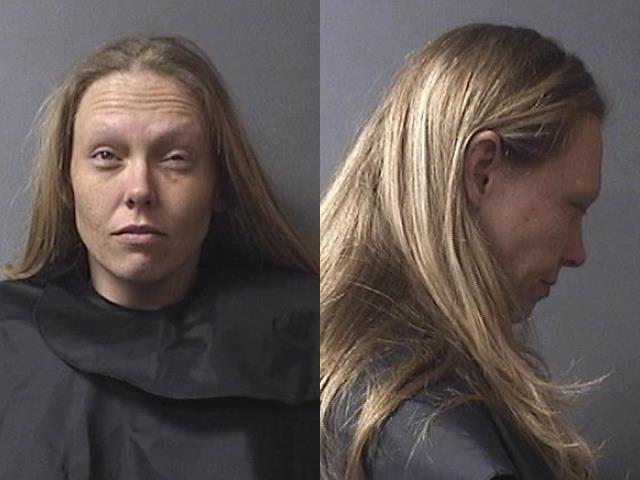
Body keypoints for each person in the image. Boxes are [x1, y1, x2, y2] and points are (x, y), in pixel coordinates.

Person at [0, 35, 318, 479]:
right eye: (106, 156)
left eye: (175, 158)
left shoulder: (307, 335)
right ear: (65, 182)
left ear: (221, 185)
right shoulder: (9, 337)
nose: (139, 190)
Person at [320, 24, 605, 480]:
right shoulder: (445, 445)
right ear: (482, 171)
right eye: (573, 208)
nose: (578, 252)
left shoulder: (355, 384)